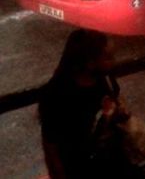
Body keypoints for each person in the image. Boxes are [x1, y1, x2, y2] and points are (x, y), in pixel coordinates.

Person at [39, 28, 137, 179]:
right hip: (81, 169)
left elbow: (113, 107)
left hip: (112, 161)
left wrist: (121, 114)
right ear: (90, 63)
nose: (114, 61)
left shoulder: (105, 79)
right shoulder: (56, 94)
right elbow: (50, 145)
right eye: (108, 58)